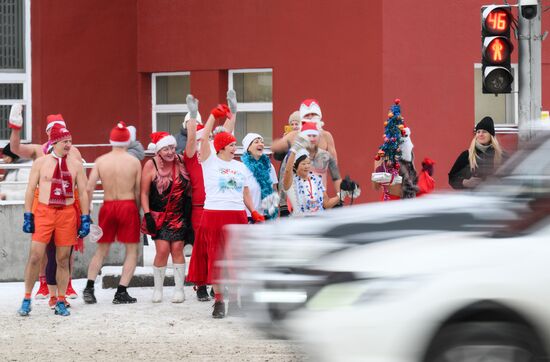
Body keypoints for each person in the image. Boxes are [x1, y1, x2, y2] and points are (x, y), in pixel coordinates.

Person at [7, 104, 81, 300]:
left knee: (66, 248)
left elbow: (81, 182)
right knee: (42, 247)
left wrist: (85, 212)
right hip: (43, 203)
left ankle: (68, 284)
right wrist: (15, 127)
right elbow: (14, 149)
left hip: (67, 204)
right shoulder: (39, 151)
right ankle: (42, 282)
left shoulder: (73, 152)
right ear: (49, 133)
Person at [196, 101, 262, 319]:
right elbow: (204, 138)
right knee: (216, 259)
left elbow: (244, 193)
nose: (236, 148)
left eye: (235, 144)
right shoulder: (209, 161)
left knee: (235, 259)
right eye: (232, 145)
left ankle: (234, 300)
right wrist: (213, 117)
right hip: (214, 214)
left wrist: (253, 211)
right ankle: (218, 301)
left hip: (236, 215)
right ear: (222, 147)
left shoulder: (240, 166)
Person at [17, 124, 91, 317]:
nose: (69, 145)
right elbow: (30, 189)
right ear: (55, 142)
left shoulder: (76, 164)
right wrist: (28, 214)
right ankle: (26, 298)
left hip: (66, 213)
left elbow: (82, 192)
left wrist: (85, 216)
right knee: (35, 256)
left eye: (70, 141)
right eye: (65, 141)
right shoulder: (41, 163)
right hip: (44, 211)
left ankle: (60, 299)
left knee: (63, 259)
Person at [185, 91, 238, 302]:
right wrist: (194, 114)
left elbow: (224, 136)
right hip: (201, 207)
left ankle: (220, 287)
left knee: (219, 249)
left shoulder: (218, 155)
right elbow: (194, 139)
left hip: (220, 206)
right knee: (204, 247)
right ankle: (201, 284)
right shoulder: (193, 153)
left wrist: (232, 113)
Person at [83, 122, 142, 304]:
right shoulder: (134, 162)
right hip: (127, 205)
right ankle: (121, 291)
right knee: (132, 250)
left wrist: (88, 209)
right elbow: (138, 190)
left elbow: (89, 187)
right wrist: (138, 211)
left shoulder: (101, 161)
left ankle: (89, 287)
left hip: (108, 205)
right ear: (127, 141)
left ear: (111, 141)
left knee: (102, 249)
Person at [141, 132, 192, 303]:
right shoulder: (151, 164)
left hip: (179, 214)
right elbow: (144, 192)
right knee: (162, 250)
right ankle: (158, 290)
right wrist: (147, 214)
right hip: (159, 215)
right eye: (166, 149)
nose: (170, 152)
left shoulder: (181, 161)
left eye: (172, 147)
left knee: (177, 249)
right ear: (158, 151)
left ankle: (179, 290)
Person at [282, 136, 341, 216]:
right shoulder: (291, 183)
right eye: (303, 164)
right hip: (300, 223)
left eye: (308, 163)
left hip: (318, 222)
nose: (307, 166)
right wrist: (294, 150)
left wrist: (341, 195)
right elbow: (288, 171)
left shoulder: (316, 180)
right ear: (295, 166)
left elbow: (326, 204)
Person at [271, 99, 337, 161]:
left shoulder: (326, 136)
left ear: (319, 116)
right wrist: (285, 143)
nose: (310, 117)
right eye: (307, 115)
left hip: (320, 171)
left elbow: (334, 161)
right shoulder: (293, 135)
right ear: (302, 118)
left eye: (313, 114)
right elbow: (274, 148)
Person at [448, 117, 504, 190]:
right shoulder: (466, 155)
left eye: (484, 132)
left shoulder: (502, 155)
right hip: (472, 199)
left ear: (491, 135)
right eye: (478, 132)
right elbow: (452, 178)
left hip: (493, 198)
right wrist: (465, 182)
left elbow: (510, 178)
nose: (480, 134)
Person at [241, 132, 279, 221]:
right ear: (248, 148)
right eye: (256, 142)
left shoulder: (269, 166)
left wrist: (275, 211)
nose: (261, 144)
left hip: (267, 215)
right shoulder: (242, 167)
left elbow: (274, 189)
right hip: (249, 215)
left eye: (262, 142)